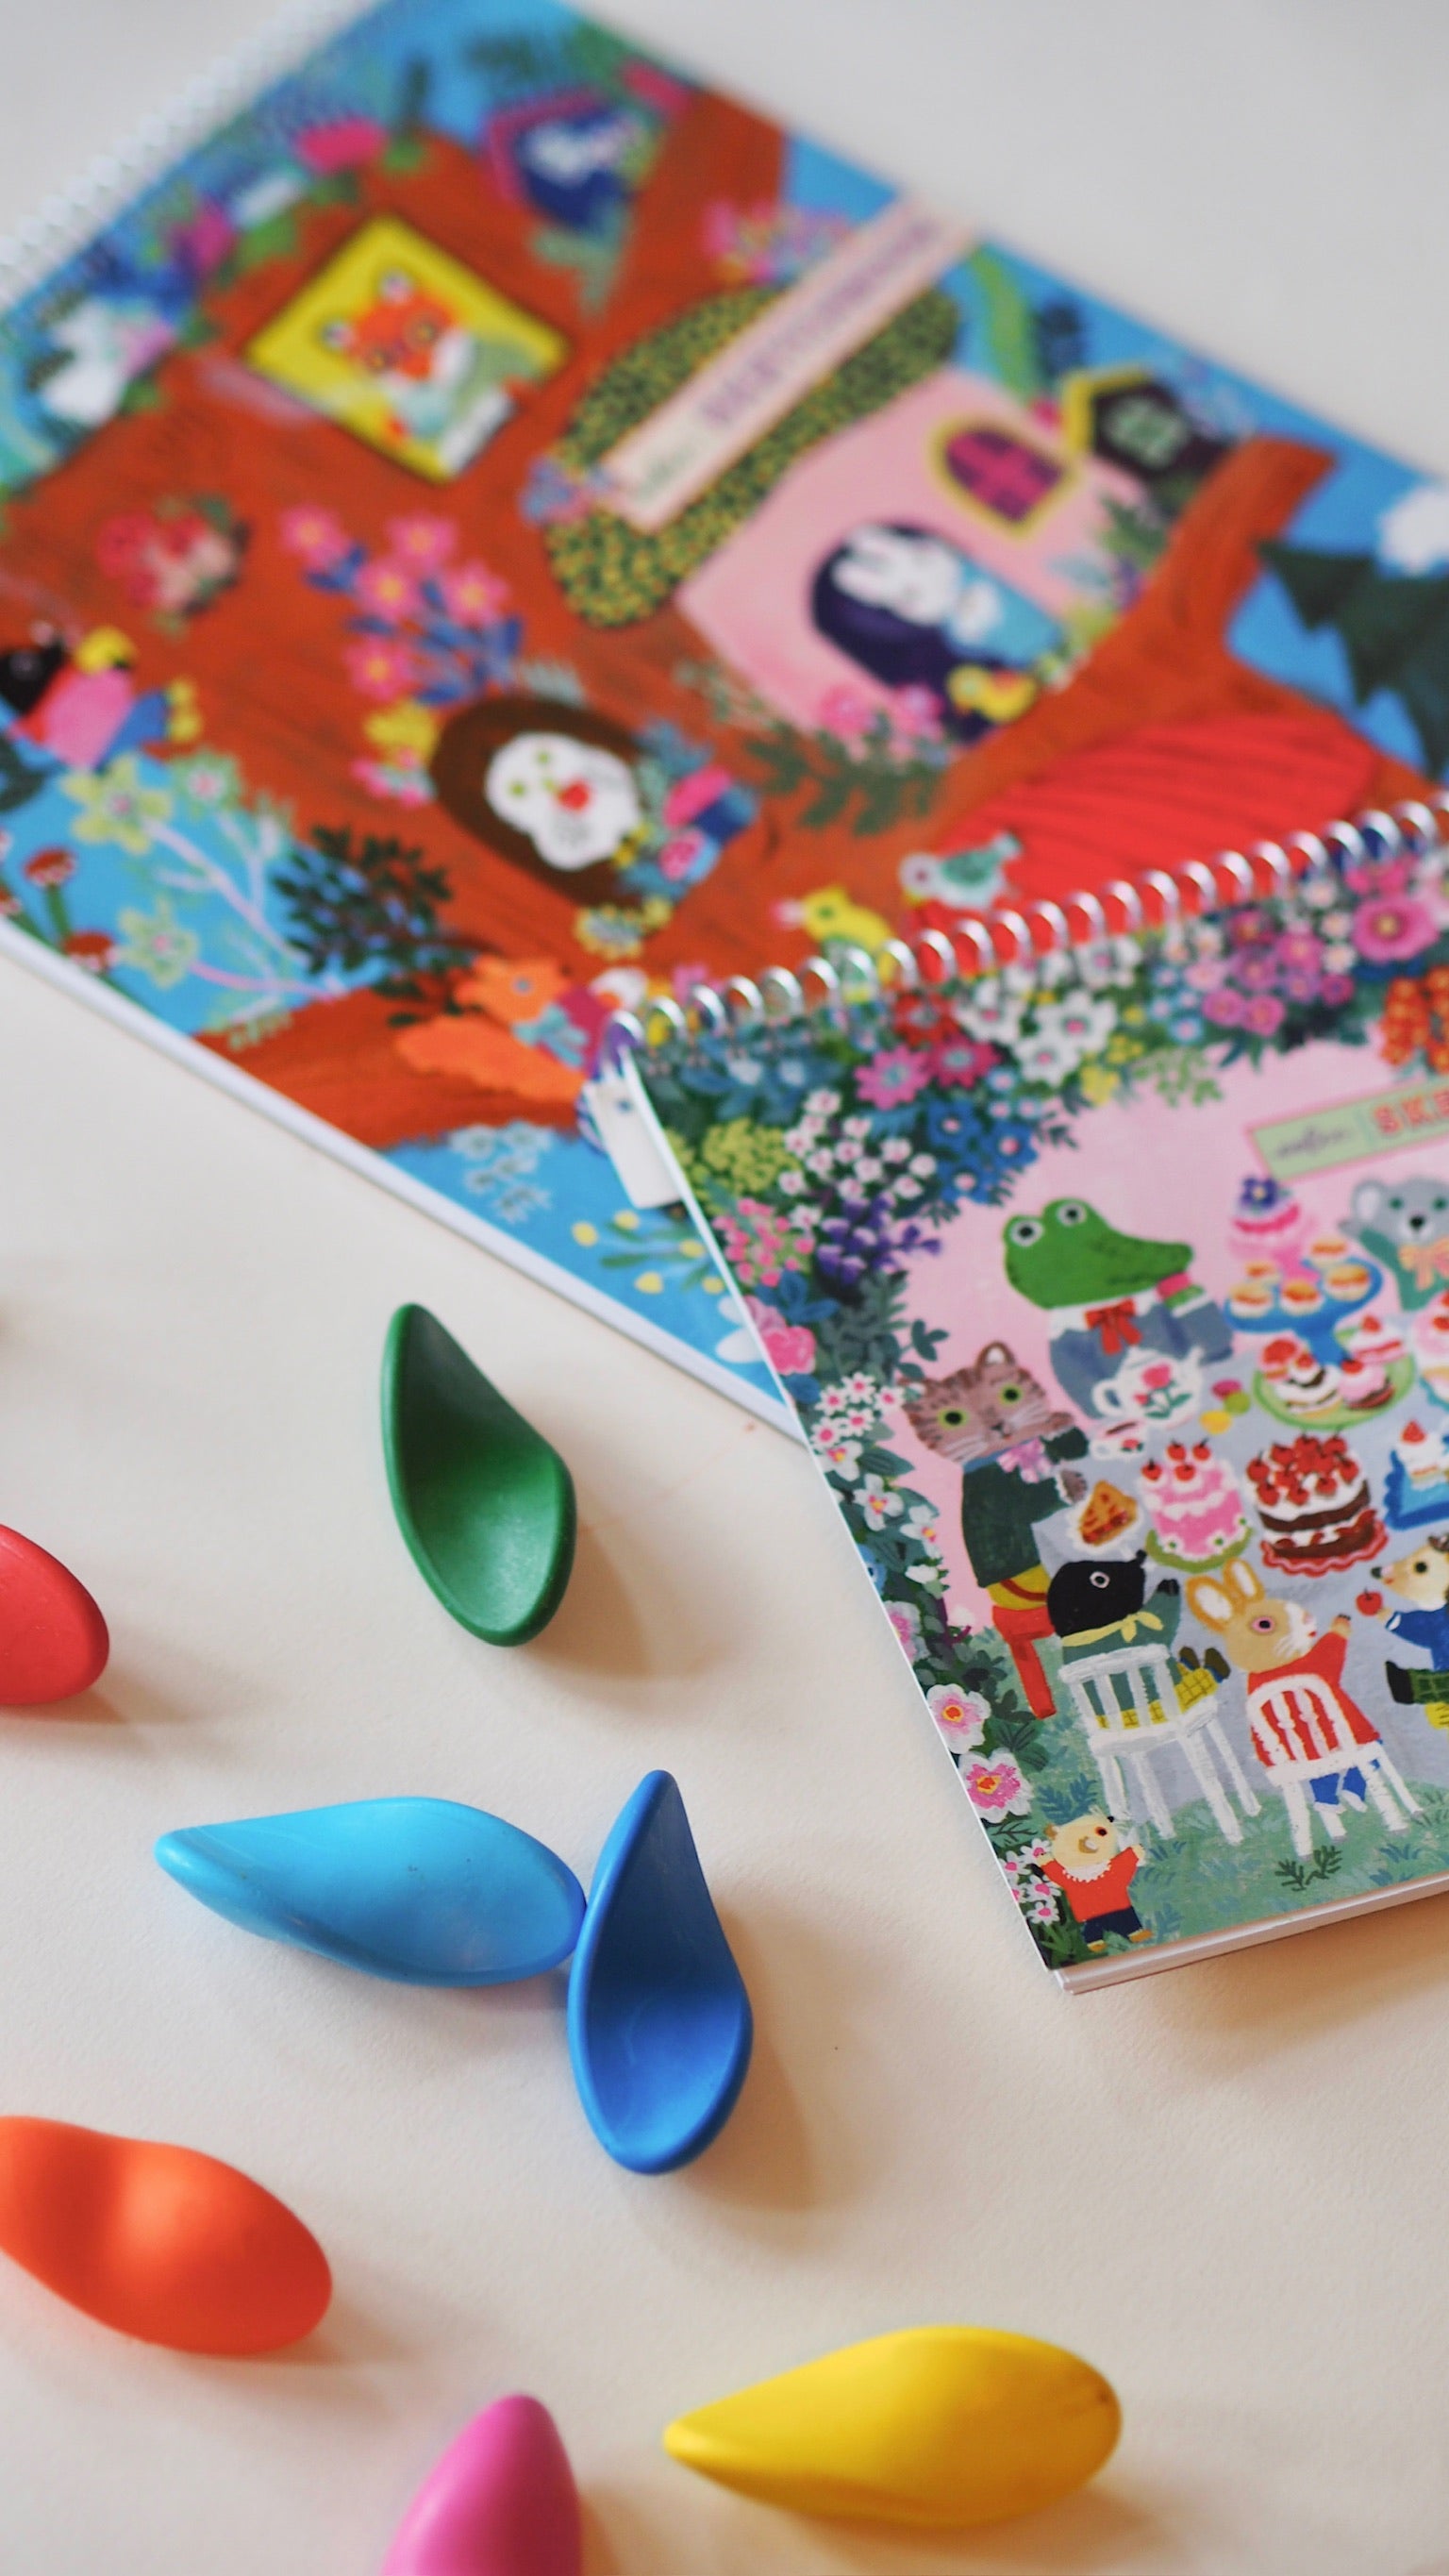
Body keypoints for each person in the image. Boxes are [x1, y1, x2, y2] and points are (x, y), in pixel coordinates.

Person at [809, 521, 1058, 738]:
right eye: (911, 594)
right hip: (1021, 668)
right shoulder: (946, 639)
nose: (934, 584)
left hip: (1044, 635)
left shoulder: (971, 572)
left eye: (922, 560)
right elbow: (972, 654)